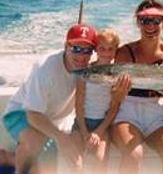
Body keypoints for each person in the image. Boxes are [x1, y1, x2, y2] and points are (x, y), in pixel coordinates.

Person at [1, 23, 98, 174]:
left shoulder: (90, 70)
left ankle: (9, 158)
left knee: (52, 169)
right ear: (66, 46)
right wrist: (61, 138)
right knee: (35, 143)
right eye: (76, 49)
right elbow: (33, 115)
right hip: (23, 113)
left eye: (87, 51)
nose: (81, 56)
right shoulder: (45, 68)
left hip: (55, 120)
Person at [111, 0, 163, 174]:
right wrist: (119, 92)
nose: (150, 26)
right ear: (138, 22)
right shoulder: (124, 53)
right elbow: (115, 97)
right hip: (127, 109)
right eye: (145, 20)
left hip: (158, 112)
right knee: (133, 155)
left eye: (156, 20)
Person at [72, 28, 130, 174]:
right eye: (102, 48)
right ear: (96, 50)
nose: (106, 53)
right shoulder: (85, 72)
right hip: (80, 124)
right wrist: (85, 133)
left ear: (116, 50)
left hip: (103, 125)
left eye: (110, 49)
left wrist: (98, 132)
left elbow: (114, 107)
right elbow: (78, 104)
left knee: (99, 160)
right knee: (75, 161)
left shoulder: (118, 76)